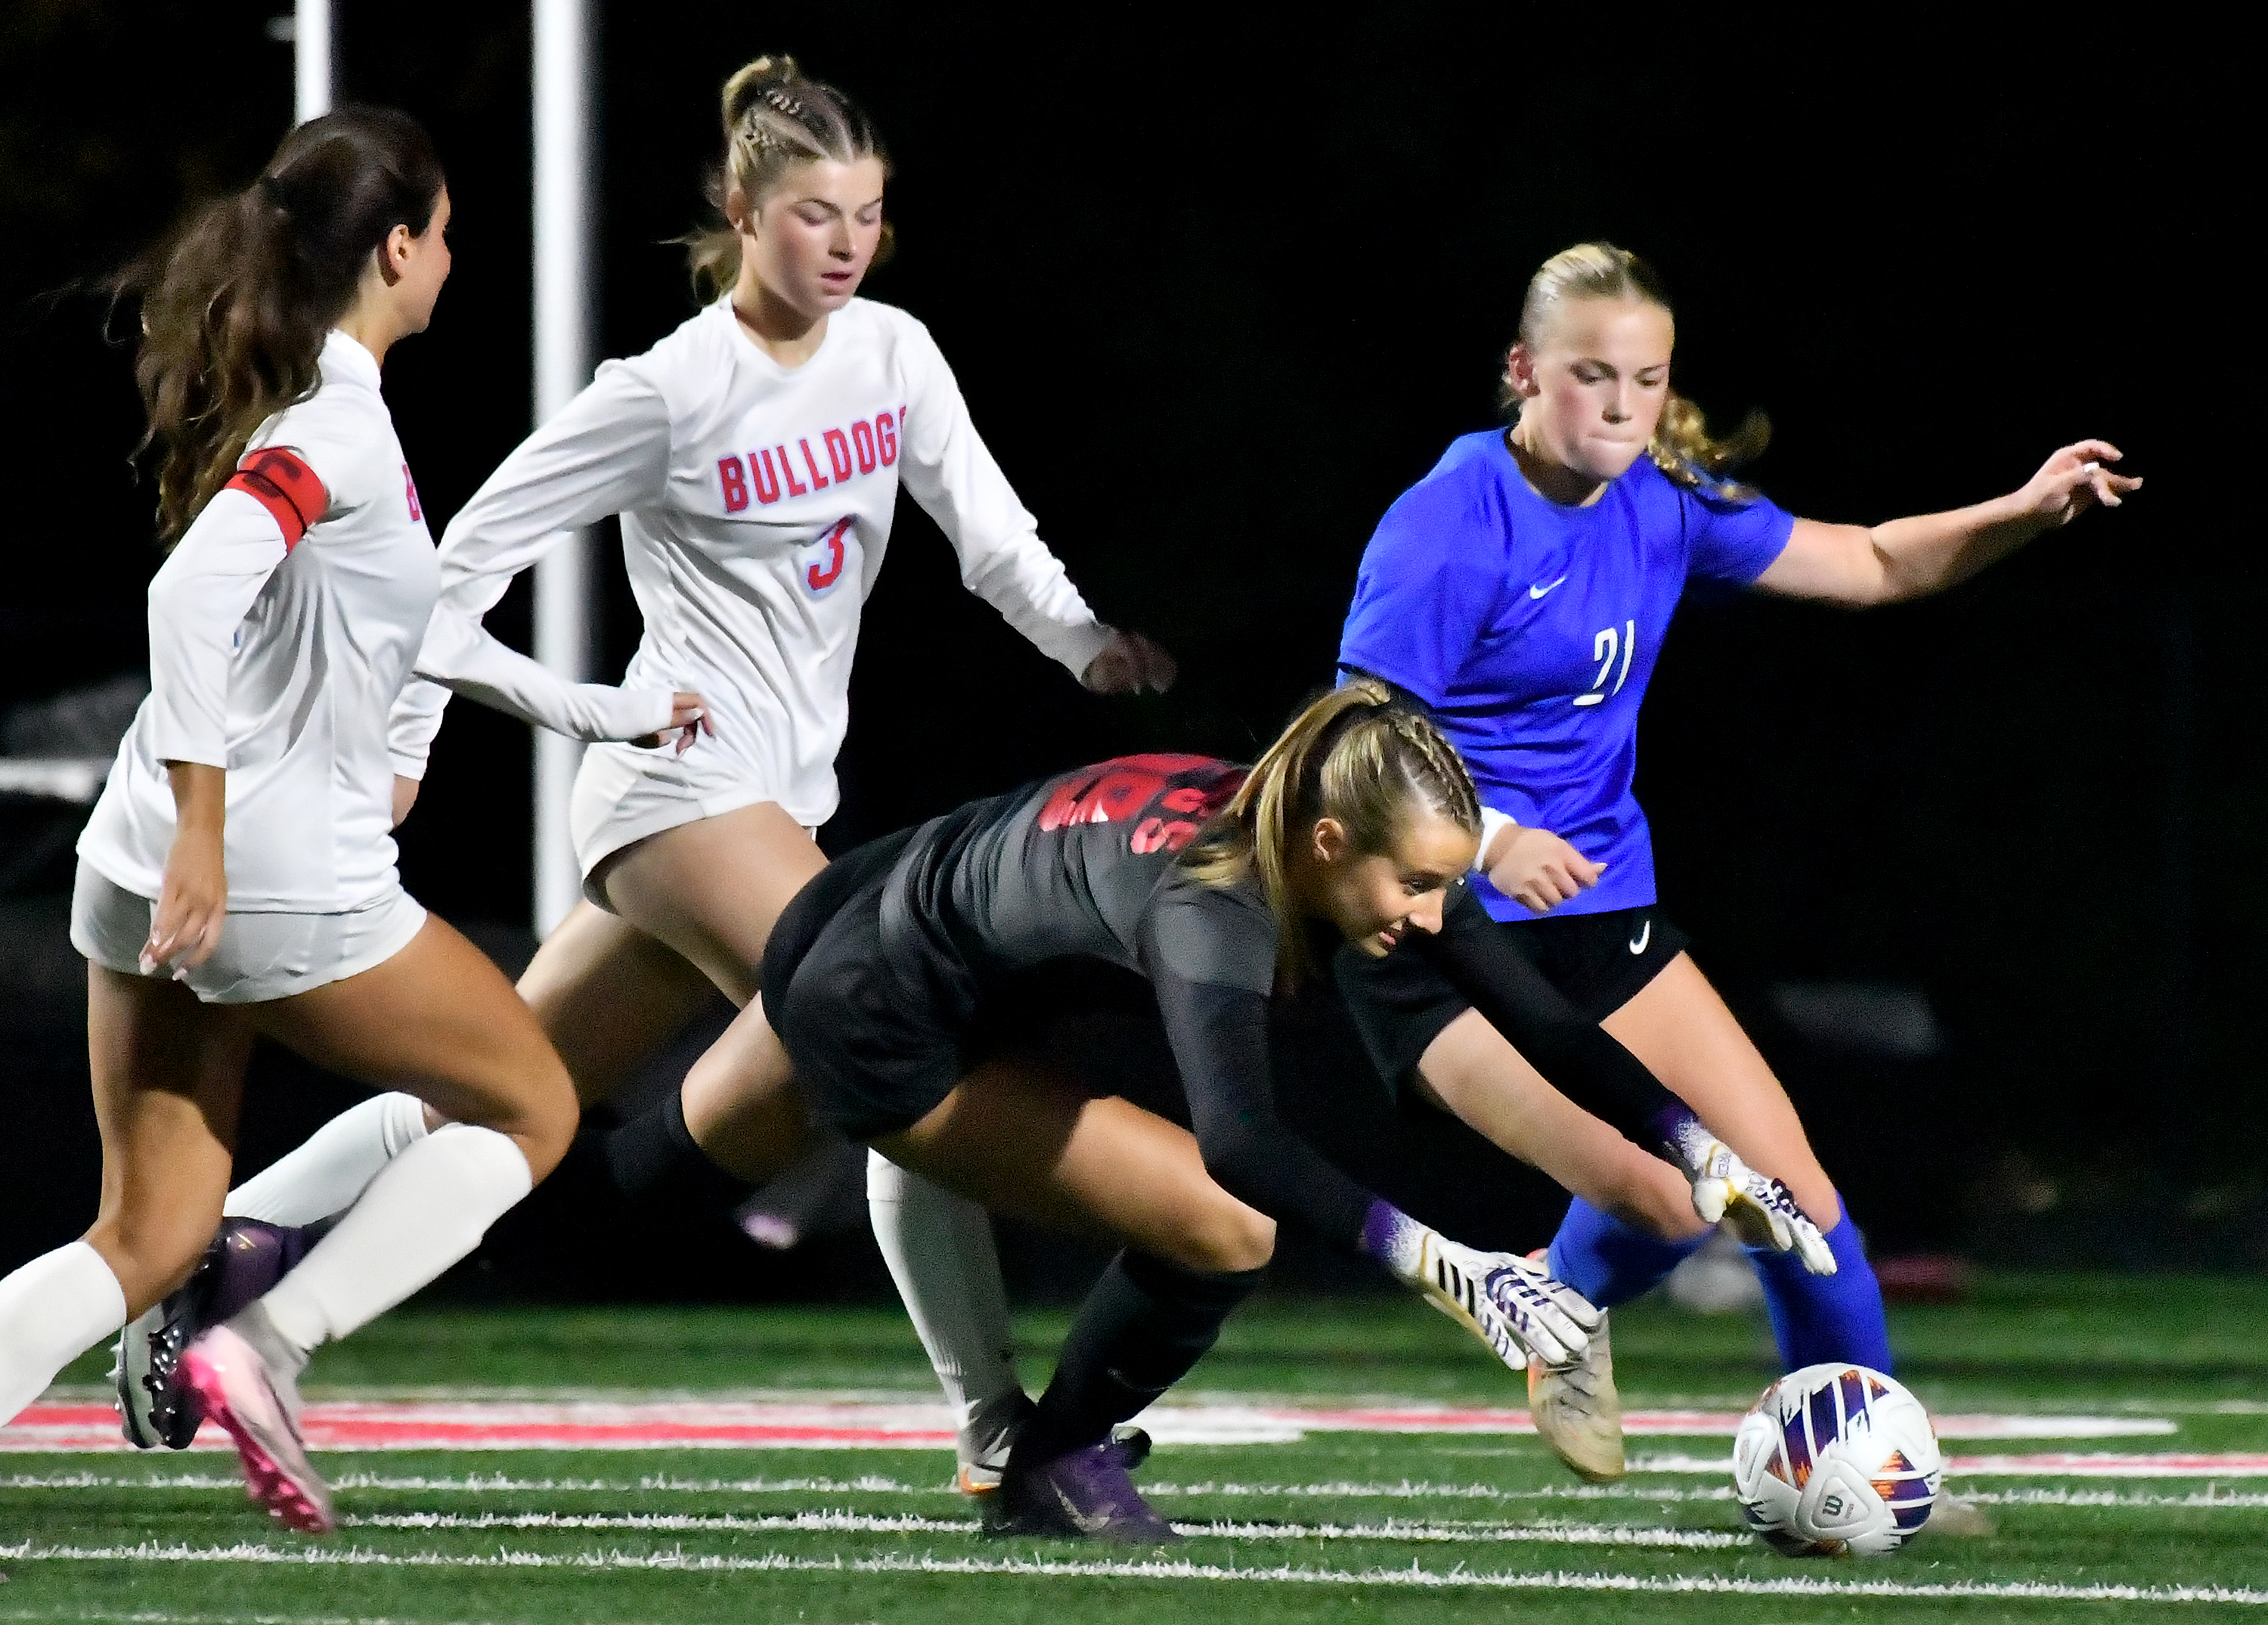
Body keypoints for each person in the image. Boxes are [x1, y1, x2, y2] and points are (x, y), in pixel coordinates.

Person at [113, 54, 1172, 1465]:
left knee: (491, 1097)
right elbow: (464, 555)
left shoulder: (895, 355)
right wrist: (410, 742)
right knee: (894, 1026)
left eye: (866, 213)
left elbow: (992, 540)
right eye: (813, 214)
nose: (846, 243)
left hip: (770, 801)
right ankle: (1003, 1428)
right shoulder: (668, 391)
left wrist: (1083, 640)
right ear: (740, 207)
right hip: (677, 787)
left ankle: (230, 1256)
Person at [613, 681, 1830, 1537]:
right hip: (885, 996)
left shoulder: (1335, 828)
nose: (1426, 911)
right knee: (1223, 1227)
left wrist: (1704, 1153)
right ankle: (1048, 1462)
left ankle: (1001, 1431)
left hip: (906, 912)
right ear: (1329, 838)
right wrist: (1455, 1270)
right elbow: (1245, 1145)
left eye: (1443, 881)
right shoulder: (1217, 899)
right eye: (1412, 883)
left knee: (637, 1177)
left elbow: (1552, 1027)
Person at [1331, 240, 2139, 1515]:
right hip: (1432, 925)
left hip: (1602, 912)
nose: (1617, 405)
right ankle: (1561, 1303)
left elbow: (1871, 562)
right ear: (1522, 373)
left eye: (1644, 380)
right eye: (1588, 375)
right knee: (1663, 1203)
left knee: (1794, 1204)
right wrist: (1489, 838)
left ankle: (1864, 1463)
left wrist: (2022, 512)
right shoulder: (1451, 518)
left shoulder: (1661, 498)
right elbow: (1356, 739)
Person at [0, 108, 699, 1534]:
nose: (453, 260)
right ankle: (267, 1342)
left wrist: (603, 713)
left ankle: (213, 1301)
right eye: (443, 236)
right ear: (395, 249)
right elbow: (187, 596)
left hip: (130, 862)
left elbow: (414, 625)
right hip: (259, 870)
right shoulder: (335, 423)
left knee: (147, 1233)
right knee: (532, 1102)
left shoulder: (315, 410)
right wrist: (209, 822)